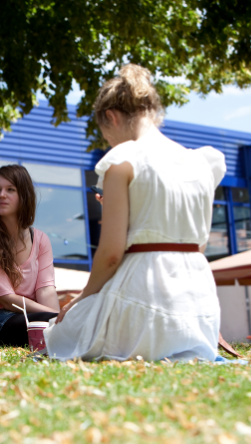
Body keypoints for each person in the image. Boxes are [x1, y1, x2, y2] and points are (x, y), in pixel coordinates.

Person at [44, 64, 226, 362]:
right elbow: (198, 245)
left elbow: (112, 254)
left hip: (145, 298)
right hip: (198, 308)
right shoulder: (202, 162)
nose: (110, 144)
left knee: (61, 332)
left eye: (107, 135)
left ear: (111, 117)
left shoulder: (123, 160)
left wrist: (81, 298)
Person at [0, 165, 60, 346]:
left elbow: (46, 289)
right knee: (42, 323)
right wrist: (54, 317)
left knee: (54, 323)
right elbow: (6, 299)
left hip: (31, 316)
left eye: (10, 190)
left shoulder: (40, 239)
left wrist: (57, 320)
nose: (1, 195)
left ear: (24, 195)